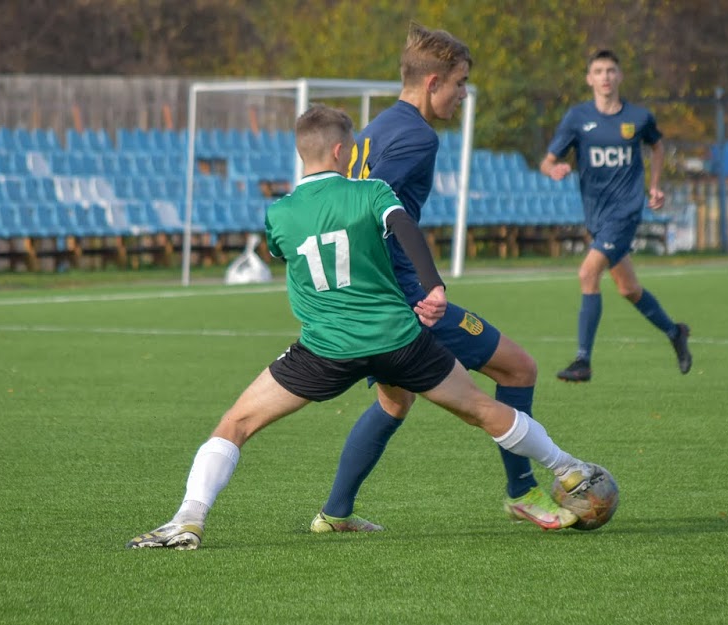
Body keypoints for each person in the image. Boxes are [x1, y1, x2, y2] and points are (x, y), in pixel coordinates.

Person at [126, 105, 597, 549]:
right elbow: (405, 228)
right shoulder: (370, 192)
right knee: (479, 407)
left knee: (236, 423)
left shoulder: (280, 213)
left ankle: (189, 517)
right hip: (399, 340)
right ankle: (569, 469)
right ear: (340, 151)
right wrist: (433, 286)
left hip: (326, 349)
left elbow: (279, 252)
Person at [312, 22, 574, 534]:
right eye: (459, 83)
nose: (462, 94)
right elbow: (368, 210)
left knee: (394, 399)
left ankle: (335, 513)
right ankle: (522, 491)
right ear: (433, 82)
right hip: (406, 297)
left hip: (373, 296)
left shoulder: (373, 131)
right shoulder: (416, 137)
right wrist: (419, 288)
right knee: (519, 369)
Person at [539, 49, 692, 383]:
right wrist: (556, 169)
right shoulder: (577, 118)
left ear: (620, 76)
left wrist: (653, 186)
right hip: (596, 215)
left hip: (625, 211)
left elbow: (658, 145)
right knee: (628, 288)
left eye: (611, 70)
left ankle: (583, 361)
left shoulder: (638, 117)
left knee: (587, 273)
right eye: (599, 71)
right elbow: (547, 161)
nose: (606, 77)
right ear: (589, 79)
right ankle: (674, 331)